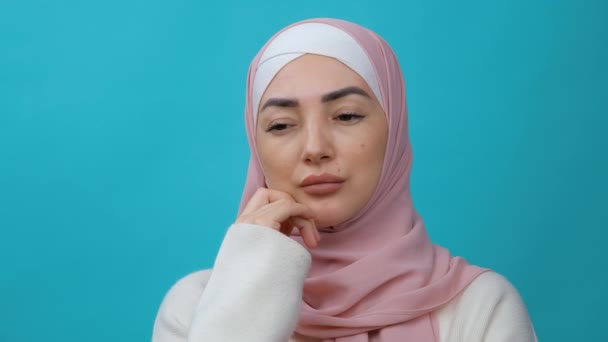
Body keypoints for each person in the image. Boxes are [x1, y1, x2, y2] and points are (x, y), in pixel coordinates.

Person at [152, 18, 537, 342]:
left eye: (347, 116)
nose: (315, 148)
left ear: (395, 130)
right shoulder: (195, 307)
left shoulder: (479, 307)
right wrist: (245, 292)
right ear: (256, 145)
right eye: (282, 124)